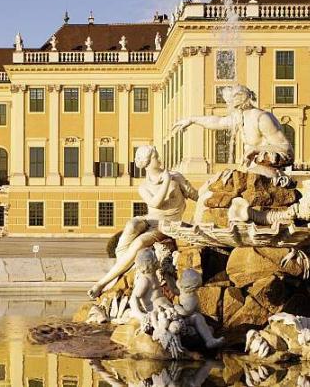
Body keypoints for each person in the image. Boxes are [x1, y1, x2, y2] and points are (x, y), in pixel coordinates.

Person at [88, 146, 198, 299]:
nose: (159, 160)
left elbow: (195, 195)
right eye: (155, 158)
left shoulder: (175, 176)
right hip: (150, 219)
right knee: (131, 225)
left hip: (166, 224)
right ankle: (123, 264)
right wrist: (166, 181)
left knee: (139, 243)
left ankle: (102, 282)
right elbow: (155, 203)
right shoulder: (144, 186)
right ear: (147, 163)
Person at [172, 84, 293, 182]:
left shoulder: (262, 118)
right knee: (215, 183)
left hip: (268, 169)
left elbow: (287, 149)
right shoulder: (240, 117)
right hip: (250, 169)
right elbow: (218, 122)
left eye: (229, 101)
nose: (227, 104)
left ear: (240, 99)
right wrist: (192, 119)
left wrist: (256, 149)